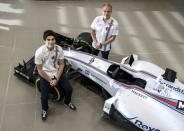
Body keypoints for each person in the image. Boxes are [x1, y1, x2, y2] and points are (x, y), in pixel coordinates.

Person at [35, 30, 76, 121]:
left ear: (55, 40)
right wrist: (50, 80)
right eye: (48, 39)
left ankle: (67, 102)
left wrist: (56, 78)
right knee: (44, 96)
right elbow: (40, 70)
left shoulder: (59, 49)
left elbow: (61, 64)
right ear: (44, 41)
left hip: (56, 73)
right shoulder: (39, 52)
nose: (51, 41)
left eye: (52, 39)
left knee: (69, 89)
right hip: (45, 75)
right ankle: (45, 109)